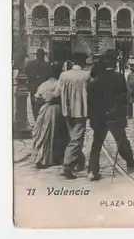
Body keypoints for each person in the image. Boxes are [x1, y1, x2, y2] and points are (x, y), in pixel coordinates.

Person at [87, 51, 134, 181]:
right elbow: (123, 98)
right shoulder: (118, 77)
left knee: (96, 144)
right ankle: (130, 161)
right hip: (115, 116)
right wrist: (123, 115)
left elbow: (90, 100)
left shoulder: (96, 78)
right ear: (113, 62)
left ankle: (92, 170)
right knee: (122, 141)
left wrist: (92, 117)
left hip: (100, 117)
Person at [54, 52, 90, 180]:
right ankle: (66, 166)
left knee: (73, 137)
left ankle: (80, 161)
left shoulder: (64, 75)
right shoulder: (86, 75)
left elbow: (57, 92)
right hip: (81, 111)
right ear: (83, 62)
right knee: (76, 139)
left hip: (67, 111)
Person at [32, 61, 68, 169]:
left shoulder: (44, 84)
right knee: (56, 133)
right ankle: (56, 157)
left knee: (43, 133)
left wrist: (43, 102)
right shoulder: (59, 84)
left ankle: (42, 157)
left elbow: (37, 98)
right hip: (57, 109)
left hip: (44, 110)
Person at [25, 48, 52, 121]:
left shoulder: (30, 64)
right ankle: (41, 119)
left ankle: (36, 119)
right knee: (42, 105)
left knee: (34, 105)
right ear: (43, 56)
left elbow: (26, 73)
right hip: (43, 88)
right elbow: (49, 75)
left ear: (36, 55)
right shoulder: (47, 64)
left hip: (33, 87)